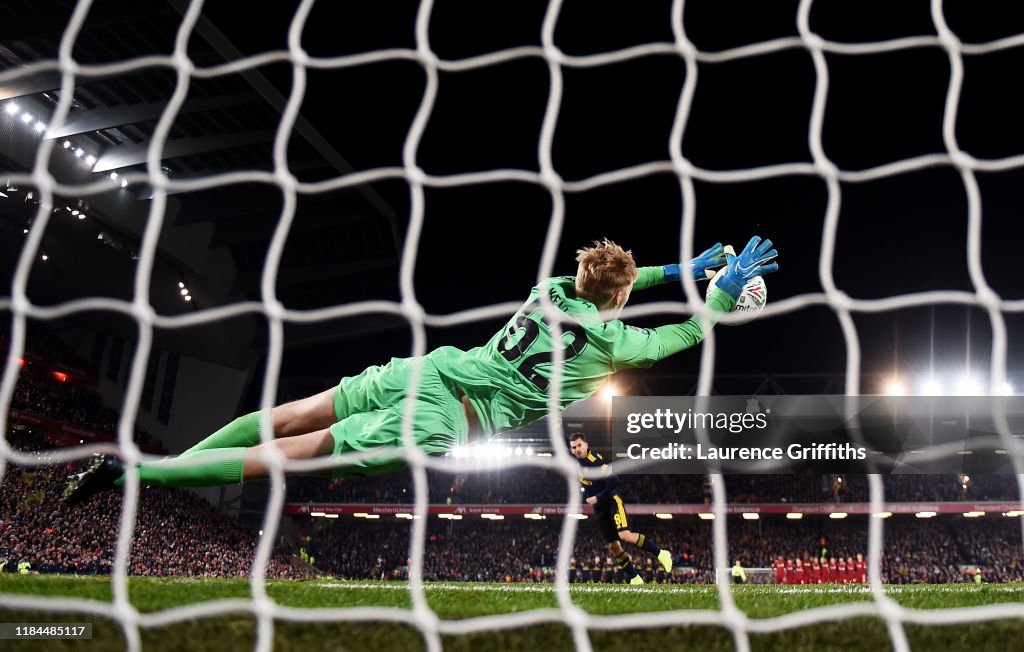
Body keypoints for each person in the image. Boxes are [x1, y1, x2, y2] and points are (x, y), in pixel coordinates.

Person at [64, 236, 779, 504]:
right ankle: (139, 477)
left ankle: (163, 466)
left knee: (287, 416)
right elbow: (682, 334)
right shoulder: (614, 348)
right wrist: (716, 300)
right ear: (619, 298)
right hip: (443, 417)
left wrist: (680, 267)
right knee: (284, 457)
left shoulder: (549, 291)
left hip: (429, 370)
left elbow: (616, 282)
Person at [569, 431, 673, 586]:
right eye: (574, 447)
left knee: (624, 534)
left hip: (612, 502)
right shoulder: (577, 461)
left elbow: (614, 481)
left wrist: (597, 497)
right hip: (600, 510)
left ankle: (661, 553)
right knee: (614, 546)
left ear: (586, 445)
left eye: (579, 445)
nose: (577, 449)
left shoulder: (596, 461)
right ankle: (635, 578)